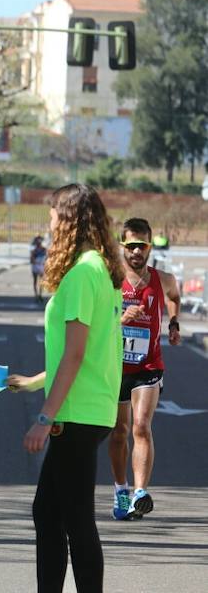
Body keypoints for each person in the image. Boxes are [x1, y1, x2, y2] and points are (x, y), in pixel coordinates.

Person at [7, 183, 124, 593]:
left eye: (54, 213)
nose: (50, 221)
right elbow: (86, 353)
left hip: (75, 413)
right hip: (91, 408)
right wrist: (35, 381)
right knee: (50, 513)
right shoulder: (101, 271)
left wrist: (44, 417)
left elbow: (75, 356)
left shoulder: (80, 276)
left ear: (70, 219)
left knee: (74, 519)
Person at [107, 218, 181, 520]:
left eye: (143, 245)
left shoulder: (163, 279)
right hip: (114, 366)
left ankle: (140, 492)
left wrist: (174, 323)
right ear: (122, 246)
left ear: (150, 246)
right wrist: (121, 319)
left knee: (140, 426)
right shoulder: (110, 280)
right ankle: (121, 490)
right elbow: (96, 320)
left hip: (149, 365)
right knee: (119, 432)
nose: (137, 251)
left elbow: (175, 297)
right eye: (131, 245)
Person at [31, 236, 47, 303]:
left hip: (40, 267)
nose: (39, 244)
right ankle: (36, 295)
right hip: (36, 267)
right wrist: (36, 261)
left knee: (41, 281)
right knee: (35, 281)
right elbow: (31, 260)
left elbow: (46, 258)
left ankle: (39, 295)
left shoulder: (44, 250)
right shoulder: (34, 251)